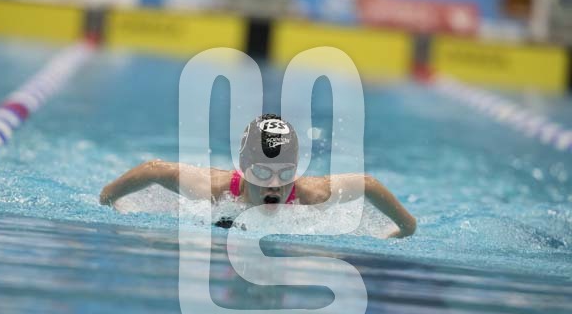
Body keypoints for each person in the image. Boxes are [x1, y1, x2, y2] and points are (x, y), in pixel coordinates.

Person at [100, 114, 416, 237]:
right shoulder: (217, 190)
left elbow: (368, 185)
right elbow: (154, 170)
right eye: (263, 171)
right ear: (244, 168)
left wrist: (404, 228)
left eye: (285, 173)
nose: (275, 185)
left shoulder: (311, 195)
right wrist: (108, 200)